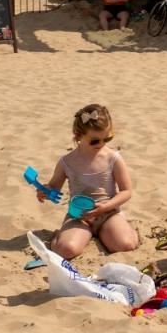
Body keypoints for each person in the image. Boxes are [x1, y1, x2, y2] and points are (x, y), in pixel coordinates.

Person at [36, 104, 138, 260]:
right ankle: (63, 236)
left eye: (107, 138)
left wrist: (106, 206)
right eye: (95, 141)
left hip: (108, 213)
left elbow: (126, 191)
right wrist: (45, 191)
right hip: (79, 216)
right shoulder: (67, 162)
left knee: (126, 245)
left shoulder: (112, 158)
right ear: (78, 135)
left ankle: (119, 230)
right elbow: (54, 188)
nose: (102, 144)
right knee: (67, 249)